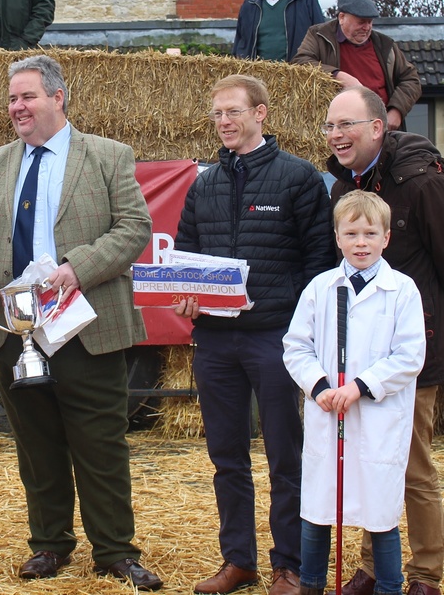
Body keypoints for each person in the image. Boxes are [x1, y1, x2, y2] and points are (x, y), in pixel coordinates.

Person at [0, 54, 162, 589]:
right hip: (12, 329)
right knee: (36, 444)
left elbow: (136, 227)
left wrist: (77, 269)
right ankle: (49, 546)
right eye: (12, 99)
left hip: (84, 325)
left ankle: (115, 551)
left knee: (100, 443)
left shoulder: (108, 156)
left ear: (57, 97)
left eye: (27, 97)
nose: (17, 107)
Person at [174, 74, 335, 595]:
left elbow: (320, 263)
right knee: (226, 456)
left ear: (261, 114)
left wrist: (288, 316)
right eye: (218, 114)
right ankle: (237, 561)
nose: (224, 122)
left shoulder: (299, 178)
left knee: (286, 456)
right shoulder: (205, 184)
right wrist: (186, 294)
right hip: (216, 341)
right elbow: (184, 252)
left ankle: (289, 565)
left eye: (234, 112)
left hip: (276, 340)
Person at [323, 86, 444, 595]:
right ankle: (375, 566)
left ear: (378, 127)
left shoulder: (420, 182)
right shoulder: (343, 189)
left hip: (414, 357)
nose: (335, 135)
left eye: (346, 124)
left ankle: (425, 574)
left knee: (412, 468)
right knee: (372, 467)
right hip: (361, 362)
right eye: (330, 126)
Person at [283, 190, 425, 595]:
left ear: (386, 238)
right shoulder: (320, 288)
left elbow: (410, 354)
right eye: (351, 233)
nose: (360, 242)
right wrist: (321, 386)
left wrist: (361, 387)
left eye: (369, 233)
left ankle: (389, 586)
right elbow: (296, 346)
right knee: (318, 506)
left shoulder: (402, 290)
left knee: (380, 511)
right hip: (329, 414)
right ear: (337, 237)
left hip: (378, 419)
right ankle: (311, 584)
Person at [293, 0, 421, 130]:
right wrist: (337, 75)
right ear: (342, 17)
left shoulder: (385, 45)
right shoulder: (319, 35)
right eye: (361, 22)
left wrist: (397, 111)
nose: (366, 28)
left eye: (369, 22)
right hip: (336, 129)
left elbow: (411, 79)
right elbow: (300, 62)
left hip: (379, 129)